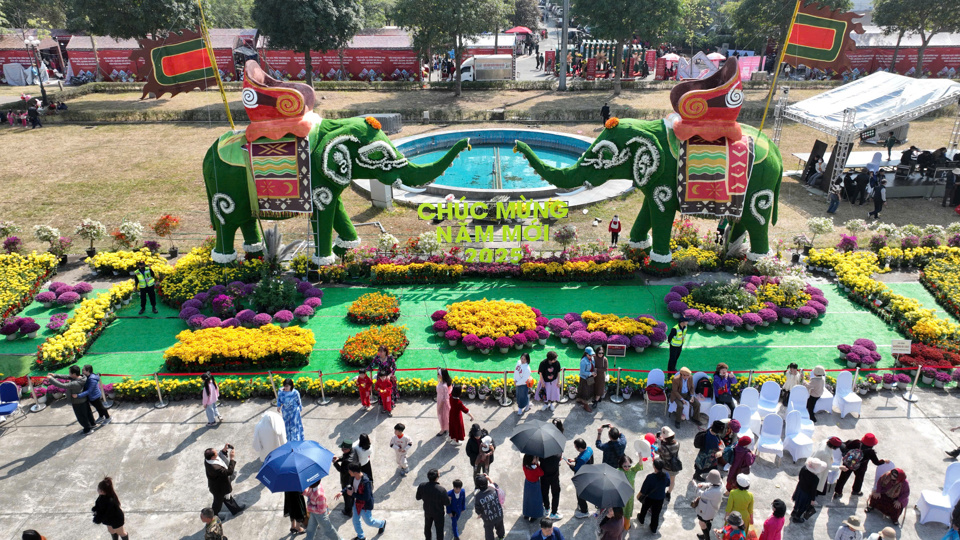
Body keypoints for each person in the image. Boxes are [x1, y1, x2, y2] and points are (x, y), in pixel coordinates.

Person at [335, 463, 386, 540]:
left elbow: (367, 497)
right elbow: (349, 486)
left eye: (350, 470)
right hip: (357, 503)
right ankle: (361, 536)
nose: (349, 472)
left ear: (354, 472)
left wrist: (353, 494)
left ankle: (382, 524)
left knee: (369, 522)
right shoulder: (353, 477)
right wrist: (342, 492)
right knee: (356, 521)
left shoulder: (366, 482)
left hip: (365, 506)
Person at [834, 433, 887, 499]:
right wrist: (884, 461)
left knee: (843, 477)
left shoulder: (856, 442)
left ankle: (838, 492)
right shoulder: (871, 452)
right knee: (859, 478)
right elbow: (876, 462)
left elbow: (846, 446)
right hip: (860, 467)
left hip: (849, 463)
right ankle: (856, 491)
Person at [46, 366, 93, 434]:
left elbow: (62, 385)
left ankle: (88, 429)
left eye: (70, 373)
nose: (69, 374)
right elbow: (67, 376)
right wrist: (55, 375)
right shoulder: (82, 377)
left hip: (77, 402)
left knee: (81, 417)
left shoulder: (75, 383)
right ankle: (92, 424)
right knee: (87, 414)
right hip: (83, 400)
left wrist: (51, 379)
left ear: (74, 374)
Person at [204, 445, 244, 518]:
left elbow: (219, 457)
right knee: (217, 503)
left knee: (227, 498)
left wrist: (224, 450)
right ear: (212, 457)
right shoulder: (215, 468)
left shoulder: (208, 459)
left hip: (220, 484)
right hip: (218, 488)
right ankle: (213, 516)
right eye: (216, 453)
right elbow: (229, 472)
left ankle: (235, 510)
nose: (217, 453)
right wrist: (232, 458)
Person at [636, 458, 670, 532]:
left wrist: (638, 496)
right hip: (660, 498)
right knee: (656, 514)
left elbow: (644, 490)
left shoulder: (650, 477)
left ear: (654, 466)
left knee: (644, 509)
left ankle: (641, 519)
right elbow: (668, 484)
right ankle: (653, 528)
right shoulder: (666, 475)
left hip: (649, 498)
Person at [416, 468, 450, 540]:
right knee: (439, 530)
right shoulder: (441, 490)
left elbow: (418, 497)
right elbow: (447, 503)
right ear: (437, 478)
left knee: (427, 527)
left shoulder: (422, 486)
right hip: (438, 513)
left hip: (427, 511)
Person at [566, 438, 594, 518]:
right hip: (588, 473)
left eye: (576, 447)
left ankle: (584, 511)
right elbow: (580, 457)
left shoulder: (582, 459)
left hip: (581, 477)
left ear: (580, 448)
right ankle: (581, 504)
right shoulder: (589, 449)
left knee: (580, 494)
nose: (575, 448)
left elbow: (575, 469)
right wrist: (574, 459)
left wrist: (569, 464)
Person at [790, 458, 824, 523]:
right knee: (803, 506)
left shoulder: (804, 468)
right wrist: (813, 500)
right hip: (806, 494)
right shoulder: (815, 479)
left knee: (797, 501)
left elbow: (799, 476)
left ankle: (794, 511)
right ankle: (797, 517)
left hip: (799, 488)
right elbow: (813, 490)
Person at [695, 470, 724, 540]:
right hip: (712, 509)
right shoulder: (721, 484)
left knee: (701, 523)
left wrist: (696, 486)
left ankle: (707, 538)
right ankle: (705, 535)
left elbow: (700, 494)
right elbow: (710, 484)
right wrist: (704, 485)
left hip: (707, 511)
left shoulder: (714, 492)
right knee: (708, 522)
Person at [475, 474, 505, 540]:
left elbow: (478, 508)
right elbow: (496, 485)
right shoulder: (493, 489)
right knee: (500, 527)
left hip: (488, 519)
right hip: (499, 514)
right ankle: (501, 537)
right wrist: (488, 478)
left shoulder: (478, 496)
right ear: (486, 483)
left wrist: (479, 514)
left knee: (489, 532)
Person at [332, 440, 358, 516]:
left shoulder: (347, 461)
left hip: (347, 479)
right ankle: (352, 503)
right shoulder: (353, 450)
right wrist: (338, 458)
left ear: (349, 448)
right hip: (353, 478)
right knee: (351, 494)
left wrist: (335, 463)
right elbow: (344, 456)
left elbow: (341, 470)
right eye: (342, 449)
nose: (342, 450)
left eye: (344, 449)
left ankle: (348, 511)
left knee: (347, 496)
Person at [620, 453, 644, 530]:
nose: (627, 468)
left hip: (630, 496)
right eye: (625, 466)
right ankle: (620, 526)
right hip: (621, 495)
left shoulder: (633, 470)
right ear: (621, 465)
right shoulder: (617, 471)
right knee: (620, 511)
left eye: (629, 465)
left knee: (628, 510)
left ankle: (626, 526)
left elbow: (639, 465)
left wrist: (640, 458)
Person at [656, 426, 681, 499]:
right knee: (672, 481)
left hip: (665, 467)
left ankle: (661, 493)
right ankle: (668, 493)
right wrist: (663, 441)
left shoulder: (663, 448)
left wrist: (659, 442)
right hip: (674, 466)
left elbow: (656, 451)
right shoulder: (677, 443)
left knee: (662, 481)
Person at [522, 454, 545, 521]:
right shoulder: (535, 469)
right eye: (535, 458)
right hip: (535, 485)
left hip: (527, 483)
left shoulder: (525, 466)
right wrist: (537, 464)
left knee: (527, 499)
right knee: (535, 501)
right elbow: (541, 473)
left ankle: (526, 514)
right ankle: (534, 516)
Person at [577, 346, 596, 412]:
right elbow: (582, 372)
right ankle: (585, 405)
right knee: (586, 392)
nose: (591, 356)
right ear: (586, 354)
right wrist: (591, 373)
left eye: (592, 354)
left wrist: (594, 373)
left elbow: (594, 366)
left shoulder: (592, 358)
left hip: (590, 378)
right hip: (584, 379)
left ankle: (580, 400)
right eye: (589, 355)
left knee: (589, 390)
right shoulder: (583, 361)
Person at [437, 368, 453, 433]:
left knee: (443, 416)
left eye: (438, 374)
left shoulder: (444, 385)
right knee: (443, 416)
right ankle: (444, 428)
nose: (437, 375)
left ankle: (443, 429)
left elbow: (445, 398)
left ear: (442, 375)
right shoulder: (442, 382)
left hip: (442, 403)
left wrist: (440, 406)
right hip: (440, 400)